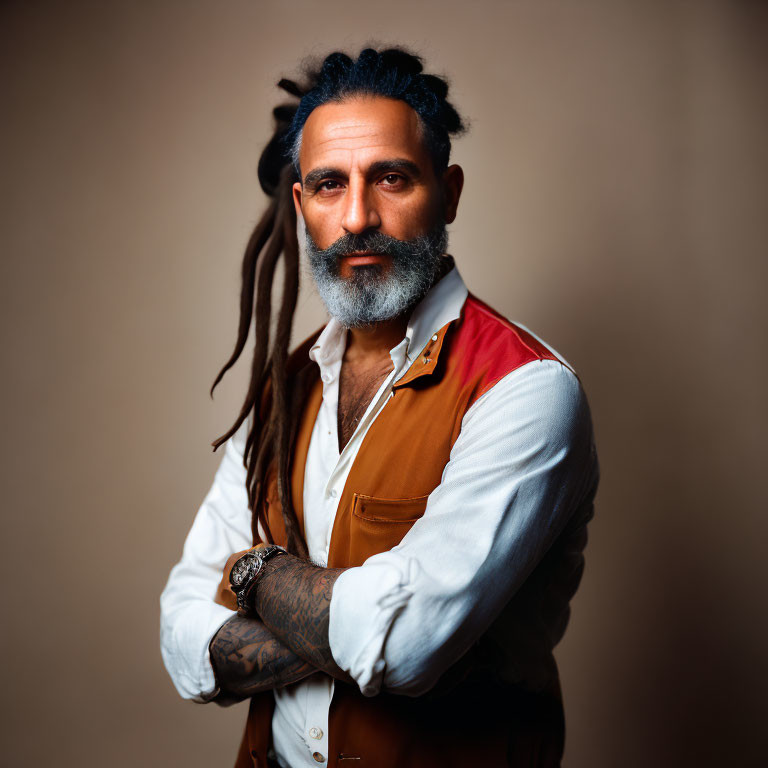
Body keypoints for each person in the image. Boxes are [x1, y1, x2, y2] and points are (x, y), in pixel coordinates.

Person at [161, 47, 599, 768]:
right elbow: (183, 641)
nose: (358, 216)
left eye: (391, 178)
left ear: (448, 192)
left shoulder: (526, 389)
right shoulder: (285, 385)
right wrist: (355, 626)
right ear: (302, 205)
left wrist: (253, 574)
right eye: (330, 184)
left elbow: (403, 647)